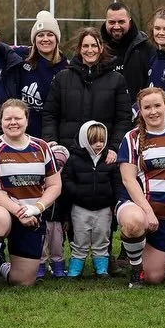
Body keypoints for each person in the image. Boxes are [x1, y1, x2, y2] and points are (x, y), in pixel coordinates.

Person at [42, 27, 133, 274]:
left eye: (94, 45)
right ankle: (67, 257)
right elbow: (50, 114)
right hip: (70, 154)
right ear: (79, 49)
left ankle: (105, 255)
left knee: (104, 203)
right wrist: (52, 143)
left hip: (103, 155)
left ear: (101, 48)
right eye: (85, 46)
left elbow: (123, 118)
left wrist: (114, 147)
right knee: (68, 205)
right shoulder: (63, 78)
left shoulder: (116, 79)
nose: (90, 50)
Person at [0, 99, 62, 292]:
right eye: (8, 119)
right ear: (1, 121)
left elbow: (55, 185)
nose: (13, 122)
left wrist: (36, 208)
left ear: (27, 120)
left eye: (18, 118)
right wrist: (19, 211)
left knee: (23, 281)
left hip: (31, 215)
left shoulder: (41, 147)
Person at [116, 88, 165, 289]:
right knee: (134, 223)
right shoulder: (132, 137)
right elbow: (128, 179)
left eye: (157, 105)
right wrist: (148, 212)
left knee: (154, 277)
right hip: (136, 205)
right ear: (140, 111)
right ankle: (135, 270)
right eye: (147, 107)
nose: (153, 111)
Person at [61, 121, 121, 278]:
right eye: (94, 141)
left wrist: (116, 203)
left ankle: (101, 268)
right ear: (84, 140)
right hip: (80, 208)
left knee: (102, 237)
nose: (99, 145)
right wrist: (77, 192)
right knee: (80, 238)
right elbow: (66, 180)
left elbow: (117, 184)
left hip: (104, 208)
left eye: (102, 140)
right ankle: (75, 269)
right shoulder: (74, 159)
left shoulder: (109, 160)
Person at [100, 2, 157, 97]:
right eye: (112, 22)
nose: (116, 26)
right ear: (106, 22)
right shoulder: (95, 48)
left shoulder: (146, 47)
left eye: (121, 22)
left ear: (129, 21)